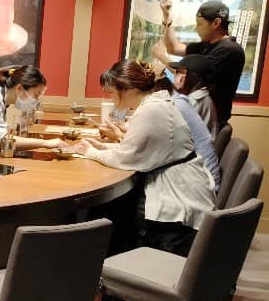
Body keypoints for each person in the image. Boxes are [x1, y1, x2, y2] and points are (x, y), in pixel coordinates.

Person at [70, 60, 214, 257]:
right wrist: (103, 147)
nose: (111, 98)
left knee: (109, 210)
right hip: (179, 180)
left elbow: (126, 158)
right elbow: (140, 150)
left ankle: (100, 259)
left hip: (176, 197)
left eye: (111, 93)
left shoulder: (151, 110)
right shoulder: (156, 103)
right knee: (111, 207)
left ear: (128, 89)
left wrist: (90, 152)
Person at [159, 0, 244, 128]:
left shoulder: (229, 50)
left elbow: (189, 78)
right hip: (194, 115)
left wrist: (161, 57)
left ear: (216, 23)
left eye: (199, 24)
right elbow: (173, 48)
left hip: (207, 121)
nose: (196, 28)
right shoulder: (206, 45)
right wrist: (166, 16)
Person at [166, 53, 217, 138]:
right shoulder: (203, 98)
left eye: (181, 72)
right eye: (177, 72)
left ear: (194, 77)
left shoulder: (193, 102)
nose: (177, 77)